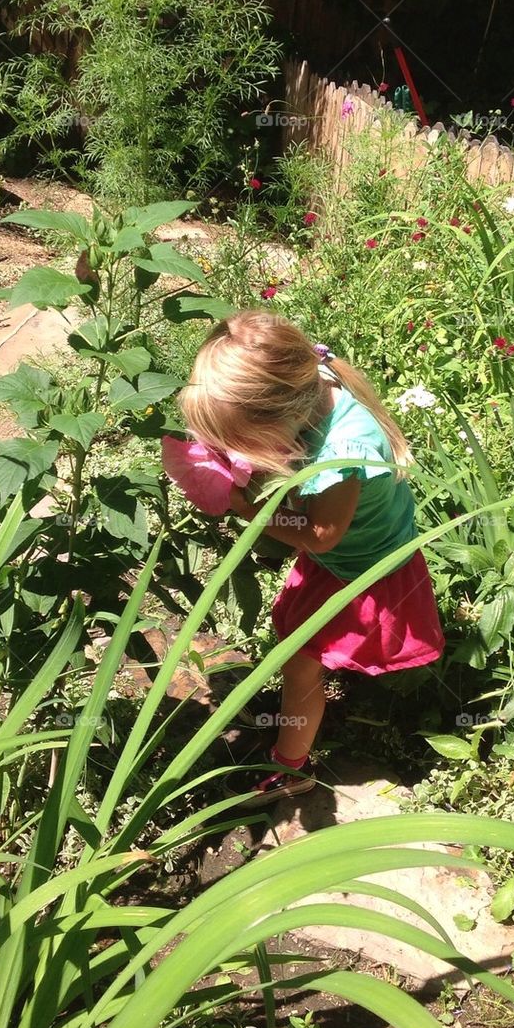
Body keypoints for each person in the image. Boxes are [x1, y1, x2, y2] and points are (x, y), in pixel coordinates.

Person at [178, 309, 445, 805]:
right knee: (299, 638)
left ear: (280, 412)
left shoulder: (343, 450)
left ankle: (289, 767)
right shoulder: (309, 384)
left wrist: (245, 508)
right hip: (344, 556)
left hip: (365, 566)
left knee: (300, 662)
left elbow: (320, 534)